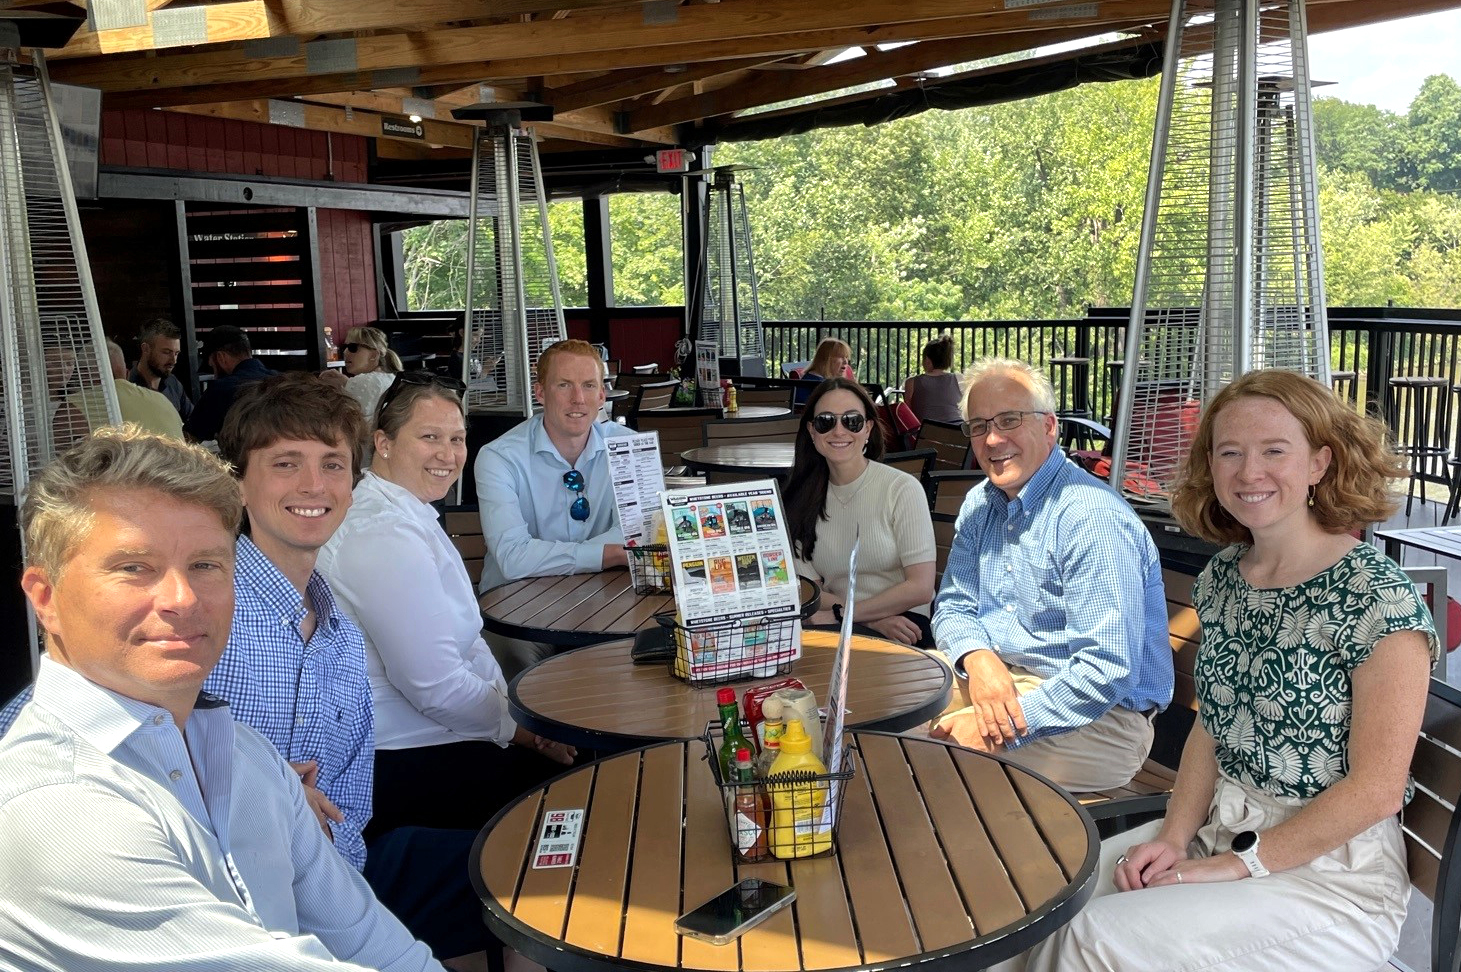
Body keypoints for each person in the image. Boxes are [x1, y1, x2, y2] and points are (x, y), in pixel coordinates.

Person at [1014, 369, 1440, 972]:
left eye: (1274, 451)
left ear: (1319, 463)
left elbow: (1374, 789)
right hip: (1220, 828)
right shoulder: (1225, 579)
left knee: (1097, 938)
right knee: (1043, 902)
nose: (1248, 472)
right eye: (1229, 452)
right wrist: (1172, 836)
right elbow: (1211, 731)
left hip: (1331, 882)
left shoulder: (1377, 598)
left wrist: (1237, 863)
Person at [0, 426, 443, 971]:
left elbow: (370, 938)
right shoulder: (54, 805)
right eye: (133, 568)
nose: (181, 599)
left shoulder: (244, 755)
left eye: (205, 565)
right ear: (45, 598)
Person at [318, 371, 576, 838]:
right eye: (430, 437)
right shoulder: (381, 533)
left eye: (456, 439)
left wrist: (517, 723)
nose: (448, 454)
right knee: (583, 792)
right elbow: (434, 686)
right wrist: (527, 733)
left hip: (445, 736)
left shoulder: (403, 511)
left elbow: (467, 652)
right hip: (399, 760)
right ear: (385, 442)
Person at [930, 357, 1172, 792]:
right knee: (887, 704)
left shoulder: (1088, 517)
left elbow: (1105, 670)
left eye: (1009, 420)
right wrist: (979, 659)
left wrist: (1002, 724)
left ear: (1049, 427)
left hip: (1102, 721)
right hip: (1003, 679)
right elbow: (952, 605)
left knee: (925, 756)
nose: (993, 438)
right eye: (979, 425)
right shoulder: (981, 504)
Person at [473, 339, 637, 674]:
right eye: (564, 385)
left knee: (645, 649)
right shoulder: (498, 457)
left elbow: (638, 535)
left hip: (603, 592)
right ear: (540, 393)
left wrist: (550, 555)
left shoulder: (630, 447)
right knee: (517, 665)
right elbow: (514, 559)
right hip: (515, 603)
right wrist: (607, 553)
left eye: (589, 385)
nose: (578, 399)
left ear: (602, 395)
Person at [784, 378, 937, 647]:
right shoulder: (800, 498)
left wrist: (844, 615)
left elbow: (921, 587)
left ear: (867, 428)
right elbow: (809, 588)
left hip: (905, 624)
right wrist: (864, 619)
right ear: (811, 431)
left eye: (851, 421)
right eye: (826, 421)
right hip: (835, 622)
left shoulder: (901, 489)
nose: (839, 431)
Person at [54, 338, 184, 441]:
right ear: (126, 373)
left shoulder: (72, 407)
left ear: (83, 375)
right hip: (181, 473)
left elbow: (58, 462)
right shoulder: (163, 401)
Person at [185, 324, 276, 442]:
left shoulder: (220, 390)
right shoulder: (281, 381)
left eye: (212, 365)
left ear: (220, 357)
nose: (214, 373)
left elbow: (189, 440)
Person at [129, 316, 194, 422]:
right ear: (145, 349)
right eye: (166, 352)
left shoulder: (173, 383)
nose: (173, 361)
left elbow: (193, 423)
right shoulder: (128, 387)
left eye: (176, 353)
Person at [337, 325, 403, 422]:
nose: (345, 352)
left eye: (352, 347)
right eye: (345, 347)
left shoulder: (364, 381)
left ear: (374, 355)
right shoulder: (389, 377)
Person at [902, 334, 964, 425]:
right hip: (956, 431)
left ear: (927, 359)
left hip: (926, 433)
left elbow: (908, 415)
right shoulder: (959, 378)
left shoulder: (911, 382)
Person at [795, 337, 852, 405]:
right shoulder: (817, 383)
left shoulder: (821, 380)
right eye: (840, 357)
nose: (846, 361)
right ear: (827, 359)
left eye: (846, 357)